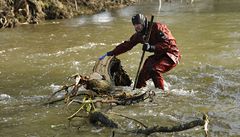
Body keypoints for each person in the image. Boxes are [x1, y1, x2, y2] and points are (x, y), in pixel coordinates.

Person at [99, 13, 181, 91]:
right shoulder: (139, 35)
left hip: (171, 55)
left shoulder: (158, 27)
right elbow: (127, 45)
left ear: (144, 23)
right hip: (158, 56)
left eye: (139, 24)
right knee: (142, 76)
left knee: (154, 70)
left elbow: (169, 44)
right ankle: (138, 90)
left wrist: (152, 47)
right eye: (135, 25)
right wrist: (111, 53)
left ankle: (161, 92)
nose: (137, 27)